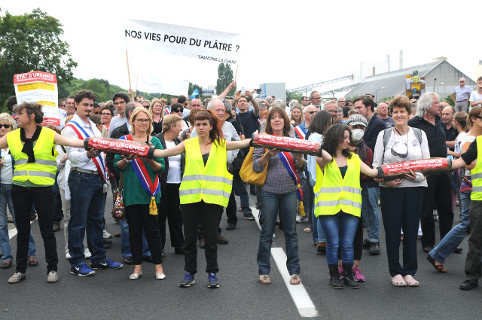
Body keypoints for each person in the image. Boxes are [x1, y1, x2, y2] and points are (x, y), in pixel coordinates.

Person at [150, 109, 251, 288]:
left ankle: (212, 273)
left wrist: (259, 139)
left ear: (211, 126)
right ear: (194, 126)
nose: (202, 127)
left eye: (205, 124)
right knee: (189, 239)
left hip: (212, 198)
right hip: (191, 197)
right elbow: (162, 153)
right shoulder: (188, 144)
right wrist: (144, 149)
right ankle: (189, 273)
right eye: (198, 124)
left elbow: (243, 143)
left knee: (210, 238)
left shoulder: (221, 144)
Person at [0, 101, 88, 284]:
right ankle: (20, 270)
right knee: (23, 231)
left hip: (43, 189)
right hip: (20, 189)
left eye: (20, 114)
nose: (16, 117)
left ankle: (52, 269)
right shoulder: (13, 136)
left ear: (31, 116)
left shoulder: (48, 134)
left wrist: (91, 143)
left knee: (46, 231)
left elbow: (73, 142)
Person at [63, 90, 123, 277]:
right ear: (76, 105)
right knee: (78, 222)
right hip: (81, 177)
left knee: (96, 221)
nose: (88, 108)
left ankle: (98, 258)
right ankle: (77, 262)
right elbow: (71, 156)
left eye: (91, 105)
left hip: (97, 177)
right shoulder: (71, 128)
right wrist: (87, 155)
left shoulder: (92, 126)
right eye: (85, 105)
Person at [373, 95, 430, 287]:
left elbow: (428, 164)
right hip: (391, 191)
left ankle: (409, 272)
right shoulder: (384, 135)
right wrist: (386, 183)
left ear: (409, 113)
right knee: (392, 231)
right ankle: (395, 271)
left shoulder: (420, 134)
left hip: (415, 189)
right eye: (395, 112)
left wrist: (419, 177)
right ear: (391, 113)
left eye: (402, 112)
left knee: (412, 230)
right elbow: (376, 166)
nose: (398, 115)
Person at [314, 124, 379, 289]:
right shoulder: (323, 158)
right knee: (333, 243)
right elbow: (327, 158)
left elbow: (372, 173)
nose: (348, 140)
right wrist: (327, 146)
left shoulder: (354, 158)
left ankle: (348, 275)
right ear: (335, 138)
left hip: (350, 207)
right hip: (328, 208)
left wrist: (395, 171)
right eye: (344, 137)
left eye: (348, 137)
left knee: (348, 243)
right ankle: (334, 275)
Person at [253, 106, 311, 286]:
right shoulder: (263, 141)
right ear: (268, 122)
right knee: (267, 232)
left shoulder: (293, 140)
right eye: (273, 118)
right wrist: (267, 155)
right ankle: (263, 270)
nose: (277, 120)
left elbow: (301, 167)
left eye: (280, 117)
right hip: (268, 191)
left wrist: (299, 158)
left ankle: (294, 271)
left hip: (289, 191)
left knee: (291, 232)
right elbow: (256, 167)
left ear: (285, 121)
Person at [114, 107, 165, 280]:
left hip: (150, 194)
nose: (144, 123)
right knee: (134, 231)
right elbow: (116, 165)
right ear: (132, 121)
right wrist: (127, 158)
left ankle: (158, 266)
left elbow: (161, 167)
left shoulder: (155, 142)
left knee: (153, 231)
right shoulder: (124, 140)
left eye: (147, 120)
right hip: (131, 193)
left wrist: (150, 160)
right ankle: (137, 267)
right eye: (140, 120)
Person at [428, 110, 477, 273]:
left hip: (471, 186)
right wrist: (435, 163)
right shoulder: (471, 139)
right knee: (467, 224)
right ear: (475, 120)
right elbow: (466, 163)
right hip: (471, 188)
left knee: (468, 225)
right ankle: (438, 254)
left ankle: (438, 254)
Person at [408, 92, 454, 253]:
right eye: (436, 103)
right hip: (426, 171)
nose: (439, 105)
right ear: (427, 106)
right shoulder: (414, 123)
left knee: (446, 208)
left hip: (443, 169)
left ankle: (448, 242)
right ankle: (428, 243)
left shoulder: (439, 120)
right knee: (426, 209)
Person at [0, 113, 37, 270]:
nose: (2, 128)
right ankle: (7, 256)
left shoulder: (19, 142)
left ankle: (31, 253)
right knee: (1, 224)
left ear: (12, 127)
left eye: (5, 126)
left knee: (20, 222)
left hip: (17, 187)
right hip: (0, 188)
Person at [450, 115, 482, 290]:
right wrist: (435, 166)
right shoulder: (479, 142)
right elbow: (461, 161)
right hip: (479, 200)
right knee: (476, 240)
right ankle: (472, 277)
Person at [154, 114, 185, 255]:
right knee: (160, 217)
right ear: (172, 127)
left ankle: (179, 245)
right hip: (161, 184)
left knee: (176, 216)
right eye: (179, 126)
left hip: (177, 184)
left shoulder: (179, 141)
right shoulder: (156, 140)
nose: (181, 129)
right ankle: (159, 247)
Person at [306, 111, 332, 254]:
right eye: (329, 122)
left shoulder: (312, 136)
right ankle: (319, 239)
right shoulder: (319, 138)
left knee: (317, 207)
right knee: (320, 209)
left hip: (313, 174)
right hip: (319, 175)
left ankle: (317, 238)